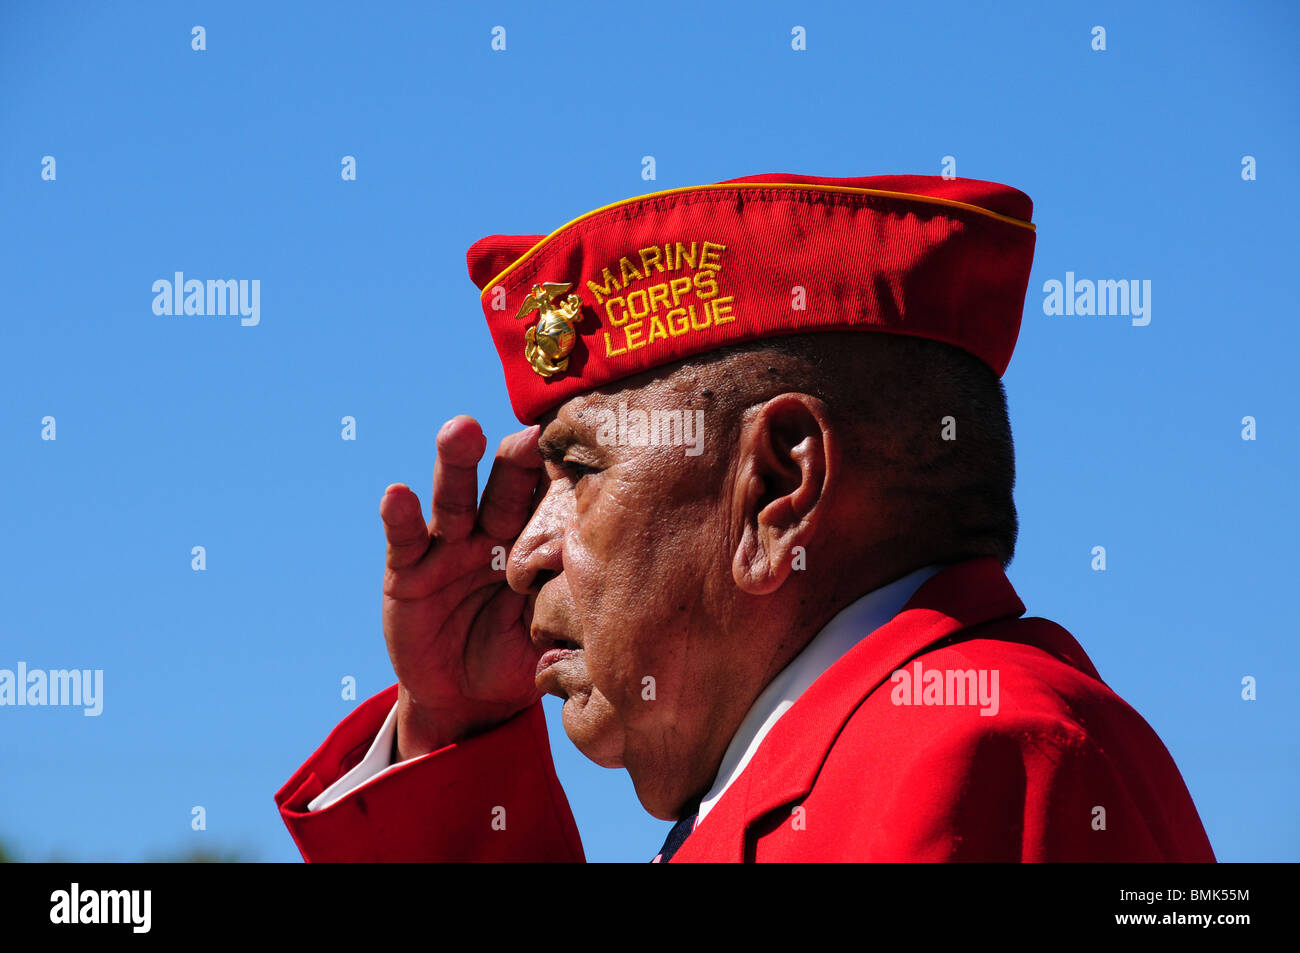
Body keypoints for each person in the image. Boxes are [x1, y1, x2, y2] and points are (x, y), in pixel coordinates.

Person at [275, 173, 1215, 862]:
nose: (520, 553)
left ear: (776, 487)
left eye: (578, 469)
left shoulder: (975, 756)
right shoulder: (864, 763)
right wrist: (455, 731)